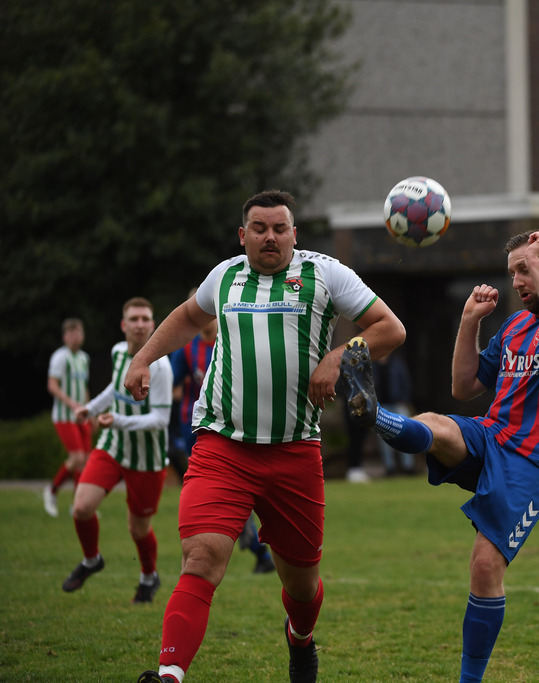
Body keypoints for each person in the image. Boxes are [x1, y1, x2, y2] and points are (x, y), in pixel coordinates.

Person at [129, 190, 405, 683]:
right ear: (244, 236)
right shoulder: (226, 275)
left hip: (295, 451)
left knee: (301, 585)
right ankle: (170, 674)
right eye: (259, 228)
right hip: (222, 446)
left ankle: (299, 637)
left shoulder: (325, 274)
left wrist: (337, 357)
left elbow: (390, 328)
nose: (270, 237)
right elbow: (190, 317)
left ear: (294, 234)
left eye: (280, 228)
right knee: (203, 556)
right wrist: (143, 358)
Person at [339, 229, 539, 682]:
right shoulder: (517, 325)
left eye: (526, 269)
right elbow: (464, 388)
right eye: (514, 272)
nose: (517, 282)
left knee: (484, 566)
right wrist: (469, 321)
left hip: (531, 463)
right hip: (490, 435)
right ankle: (375, 417)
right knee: (436, 422)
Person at [61, 298, 173, 605]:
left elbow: (161, 419)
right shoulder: (117, 352)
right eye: (134, 319)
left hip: (147, 460)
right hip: (113, 447)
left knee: (138, 529)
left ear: (153, 325)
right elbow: (115, 387)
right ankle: (91, 560)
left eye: (145, 319)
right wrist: (91, 408)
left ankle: (149, 577)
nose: (139, 324)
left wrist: (118, 420)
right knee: (81, 507)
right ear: (124, 325)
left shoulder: (160, 365)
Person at [169, 305, 275, 573]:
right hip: (193, 428)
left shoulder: (233, 341)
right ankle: (254, 547)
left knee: (232, 489)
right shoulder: (186, 349)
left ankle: (253, 542)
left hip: (230, 427)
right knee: (213, 491)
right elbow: (173, 385)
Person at [44, 318, 93, 517]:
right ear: (65, 337)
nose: (75, 337)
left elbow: (84, 388)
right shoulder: (60, 357)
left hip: (81, 416)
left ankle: (77, 504)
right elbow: (52, 385)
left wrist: (90, 411)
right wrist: (72, 403)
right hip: (65, 416)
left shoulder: (84, 358)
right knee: (77, 458)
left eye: (78, 333)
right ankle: (52, 490)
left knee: (86, 460)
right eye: (71, 333)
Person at [373, 352, 417, 476]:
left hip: (398, 403)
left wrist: (404, 398)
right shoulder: (373, 365)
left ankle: (408, 466)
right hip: (381, 406)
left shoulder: (397, 363)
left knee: (406, 434)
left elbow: (405, 382)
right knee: (384, 438)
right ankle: (389, 467)